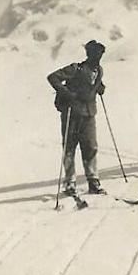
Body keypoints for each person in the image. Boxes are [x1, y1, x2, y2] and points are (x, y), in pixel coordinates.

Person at [47, 40, 106, 197]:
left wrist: (100, 88)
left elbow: (94, 84)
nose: (98, 57)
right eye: (94, 54)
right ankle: (69, 183)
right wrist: (67, 94)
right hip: (72, 114)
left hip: (89, 113)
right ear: (88, 54)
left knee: (91, 147)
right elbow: (53, 77)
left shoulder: (99, 70)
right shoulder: (76, 68)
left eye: (100, 54)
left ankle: (93, 181)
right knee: (70, 148)